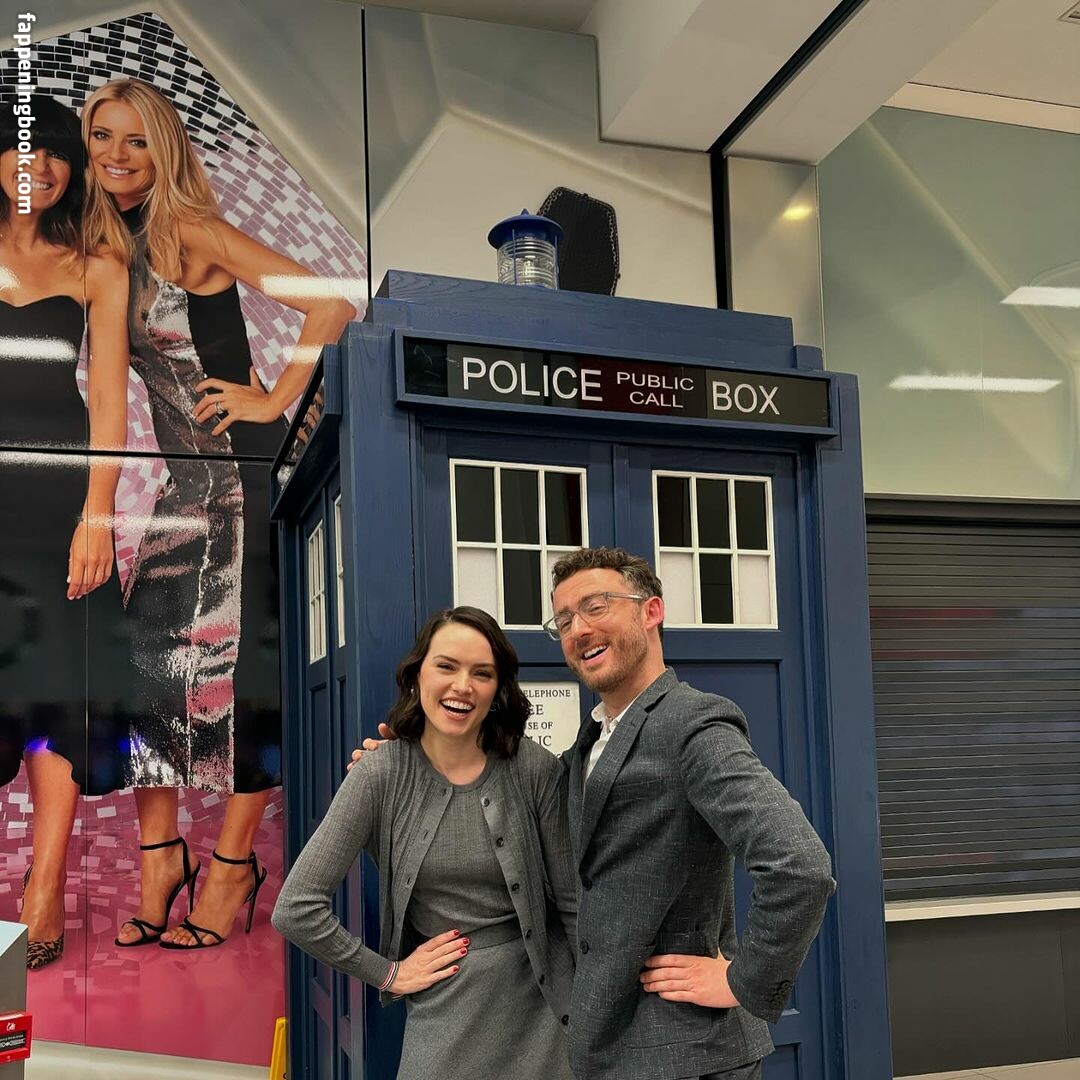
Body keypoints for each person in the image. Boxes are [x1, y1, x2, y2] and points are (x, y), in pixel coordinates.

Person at [78, 77, 356, 950]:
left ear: (165, 150)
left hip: (243, 480)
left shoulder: (188, 229)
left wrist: (272, 398)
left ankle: (233, 865)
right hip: (183, 488)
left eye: (137, 140)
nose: (118, 156)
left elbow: (331, 301)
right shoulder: (103, 246)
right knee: (149, 668)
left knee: (247, 680)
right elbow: (111, 390)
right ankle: (161, 858)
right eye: (102, 137)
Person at [547, 546, 835, 1080]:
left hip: (689, 1054)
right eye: (563, 620)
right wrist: (409, 756)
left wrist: (742, 980)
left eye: (595, 606)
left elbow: (800, 866)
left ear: (651, 611)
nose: (578, 629)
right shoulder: (591, 741)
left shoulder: (693, 723)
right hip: (609, 1048)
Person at [273, 607, 576, 1080]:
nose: (463, 686)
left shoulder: (533, 768)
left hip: (547, 1015)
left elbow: (573, 905)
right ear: (417, 675)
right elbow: (295, 908)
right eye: (446, 666)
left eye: (482, 673)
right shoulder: (379, 773)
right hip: (443, 1010)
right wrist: (389, 973)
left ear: (498, 689)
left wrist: (601, 1010)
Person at [0, 95, 129, 970]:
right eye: (23, 148)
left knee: (56, 698)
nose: (40, 166)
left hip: (55, 505)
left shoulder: (96, 265)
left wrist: (98, 515)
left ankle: (43, 887)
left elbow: (110, 402)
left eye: (55, 153)